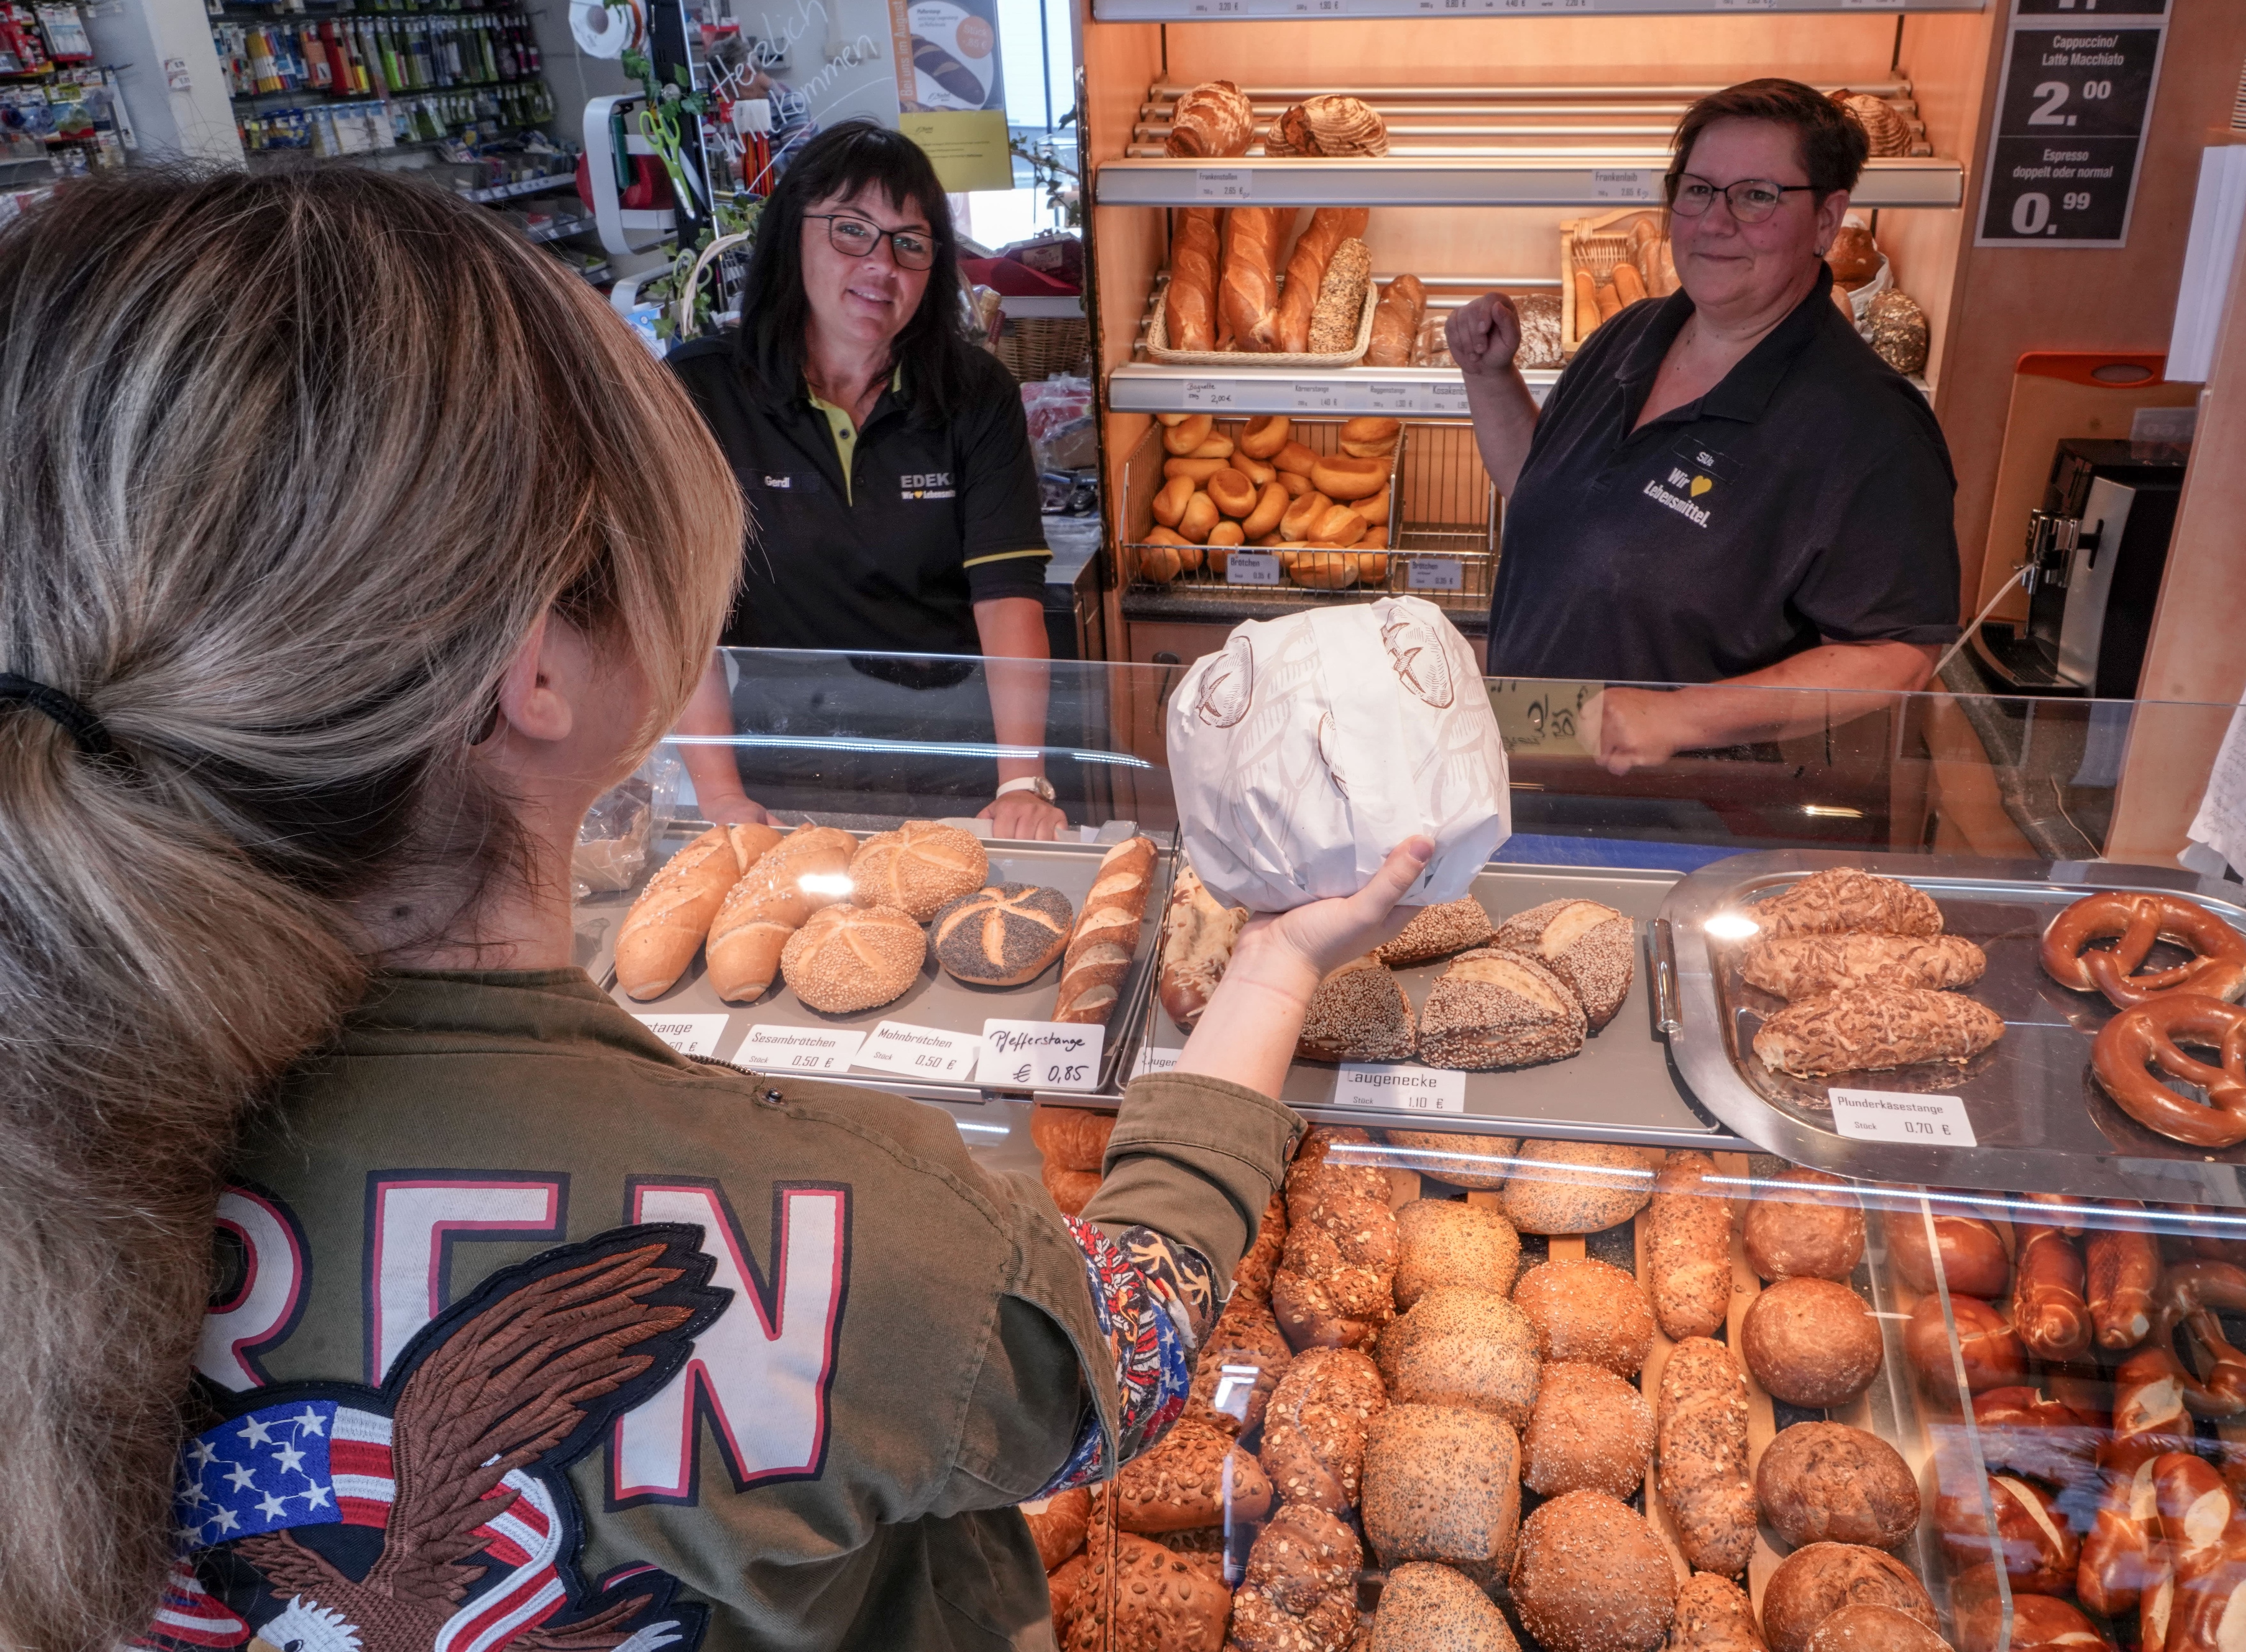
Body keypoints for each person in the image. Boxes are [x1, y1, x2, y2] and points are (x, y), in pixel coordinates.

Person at [0, 166, 1432, 1652]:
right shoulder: (819, 1223)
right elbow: (1114, 1367)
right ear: (535, 668)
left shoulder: (57, 1136)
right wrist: (1270, 978)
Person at [1450, 78, 1961, 775]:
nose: (1714, 223)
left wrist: (1681, 715)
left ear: (1827, 219)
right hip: (1533, 772)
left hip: (1686, 815)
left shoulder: (1866, 425)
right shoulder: (1631, 335)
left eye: (1757, 196)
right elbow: (1547, 492)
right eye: (1697, 191)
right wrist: (1489, 377)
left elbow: (1900, 653)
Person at [671, 121, 1069, 839]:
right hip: (777, 771)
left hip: (955, 764)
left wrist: (1020, 781)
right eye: (852, 230)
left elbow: (1007, 596)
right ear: (794, 232)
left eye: (910, 243)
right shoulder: (703, 393)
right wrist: (722, 797)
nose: (883, 264)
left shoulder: (974, 394)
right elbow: (679, 619)